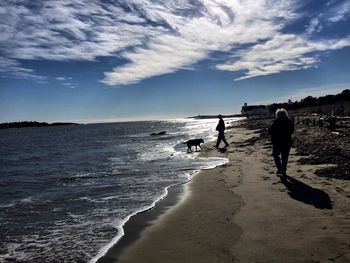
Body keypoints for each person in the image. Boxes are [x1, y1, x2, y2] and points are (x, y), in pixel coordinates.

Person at [268, 108, 294, 176]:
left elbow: (270, 131)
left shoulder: (276, 122)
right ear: (285, 114)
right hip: (287, 142)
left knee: (275, 155)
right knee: (284, 157)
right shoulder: (289, 121)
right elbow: (292, 131)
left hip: (277, 142)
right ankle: (283, 170)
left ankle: (280, 168)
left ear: (277, 115)